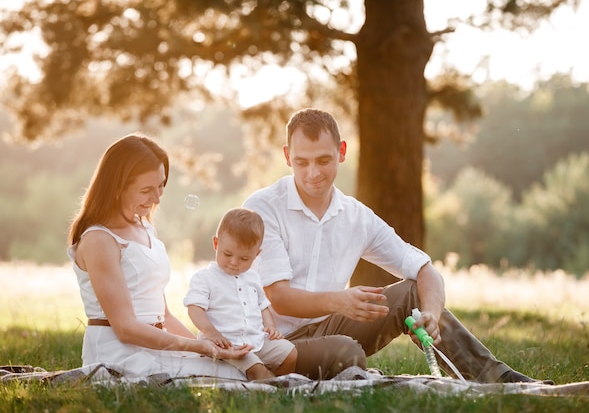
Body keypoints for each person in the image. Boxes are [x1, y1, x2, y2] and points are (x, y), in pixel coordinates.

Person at [242, 108, 553, 384]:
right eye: (301, 162)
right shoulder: (264, 207)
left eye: (323, 160)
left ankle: (497, 378)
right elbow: (279, 298)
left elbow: (424, 269)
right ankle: (299, 370)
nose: (312, 173)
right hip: (275, 341)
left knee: (411, 292)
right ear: (287, 157)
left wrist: (430, 313)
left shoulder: (356, 217)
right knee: (346, 352)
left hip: (328, 329)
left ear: (341, 151)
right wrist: (340, 301)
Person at [67, 133, 253, 379]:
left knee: (240, 368)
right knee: (234, 378)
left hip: (156, 345)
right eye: (146, 190)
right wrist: (198, 346)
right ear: (117, 187)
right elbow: (125, 328)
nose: (156, 198)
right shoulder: (99, 240)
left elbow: (163, 315)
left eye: (161, 186)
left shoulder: (144, 229)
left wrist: (210, 350)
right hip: (119, 354)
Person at [183, 208, 297, 380]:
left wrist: (271, 326)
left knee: (289, 352)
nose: (234, 263)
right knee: (256, 368)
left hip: (255, 340)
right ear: (216, 244)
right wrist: (211, 332)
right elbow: (194, 308)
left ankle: (281, 382)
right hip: (225, 344)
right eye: (227, 254)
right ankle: (271, 391)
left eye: (244, 259)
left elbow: (263, 305)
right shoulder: (205, 278)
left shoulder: (253, 277)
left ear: (256, 254)